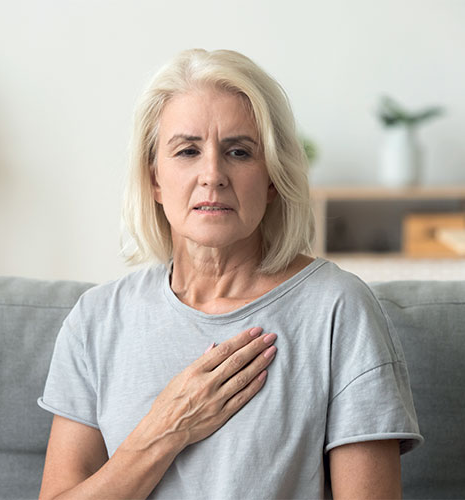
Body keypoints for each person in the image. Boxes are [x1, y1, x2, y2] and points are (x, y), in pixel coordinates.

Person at [37, 48, 423, 500]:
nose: (213, 175)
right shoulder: (96, 320)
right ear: (155, 179)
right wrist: (164, 432)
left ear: (274, 177)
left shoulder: (338, 309)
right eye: (187, 151)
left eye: (238, 152)